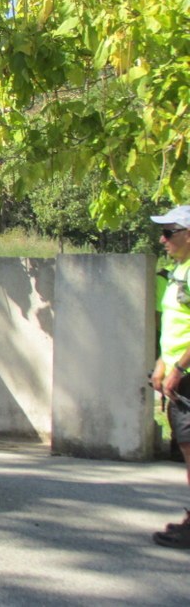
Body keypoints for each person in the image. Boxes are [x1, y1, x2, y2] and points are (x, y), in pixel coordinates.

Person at [149, 205, 190, 548]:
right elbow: (176, 327)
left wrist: (178, 369)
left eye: (169, 233)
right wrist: (163, 364)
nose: (162, 240)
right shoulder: (180, 270)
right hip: (178, 373)